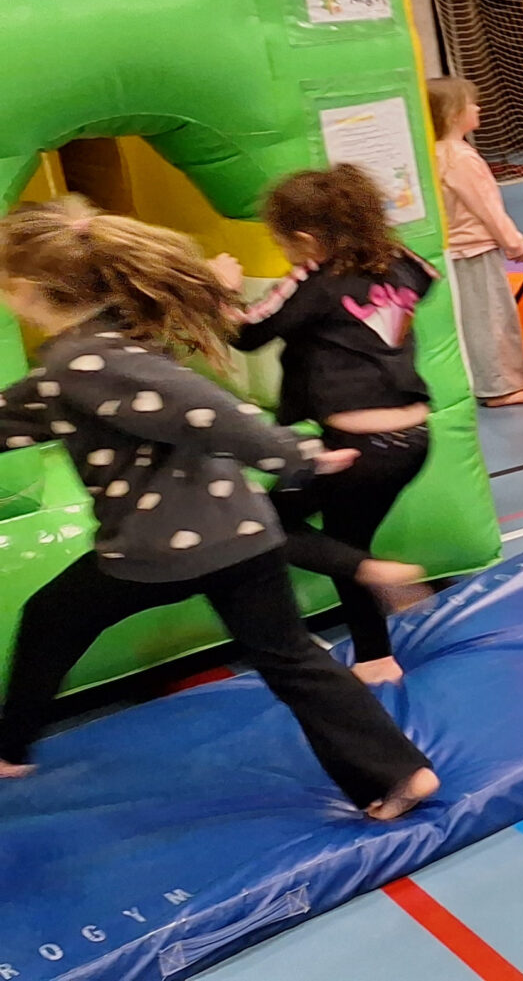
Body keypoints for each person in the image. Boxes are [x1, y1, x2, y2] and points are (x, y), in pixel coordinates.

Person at [0, 199, 438, 820]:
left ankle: (9, 746)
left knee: (51, 617)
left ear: (24, 288)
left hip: (158, 545)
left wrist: (294, 455)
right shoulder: (105, 344)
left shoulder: (82, 360)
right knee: (291, 659)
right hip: (241, 532)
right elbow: (24, 412)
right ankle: (399, 773)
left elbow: (204, 409)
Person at [213, 166, 439, 686]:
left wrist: (221, 291)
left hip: (358, 447)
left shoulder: (314, 280)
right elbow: (428, 278)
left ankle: (375, 576)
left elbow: (246, 332)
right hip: (412, 440)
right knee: (344, 539)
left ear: (307, 240)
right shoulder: (401, 261)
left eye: (285, 245)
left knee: (263, 521)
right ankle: (375, 657)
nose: (288, 256)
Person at [426, 78, 523, 408]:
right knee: (491, 319)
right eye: (471, 104)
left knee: (467, 319)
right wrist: (516, 245)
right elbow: (488, 209)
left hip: (451, 251)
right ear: (453, 114)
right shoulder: (461, 157)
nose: (478, 108)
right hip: (474, 249)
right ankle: (499, 386)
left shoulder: (432, 153)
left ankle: (477, 379)